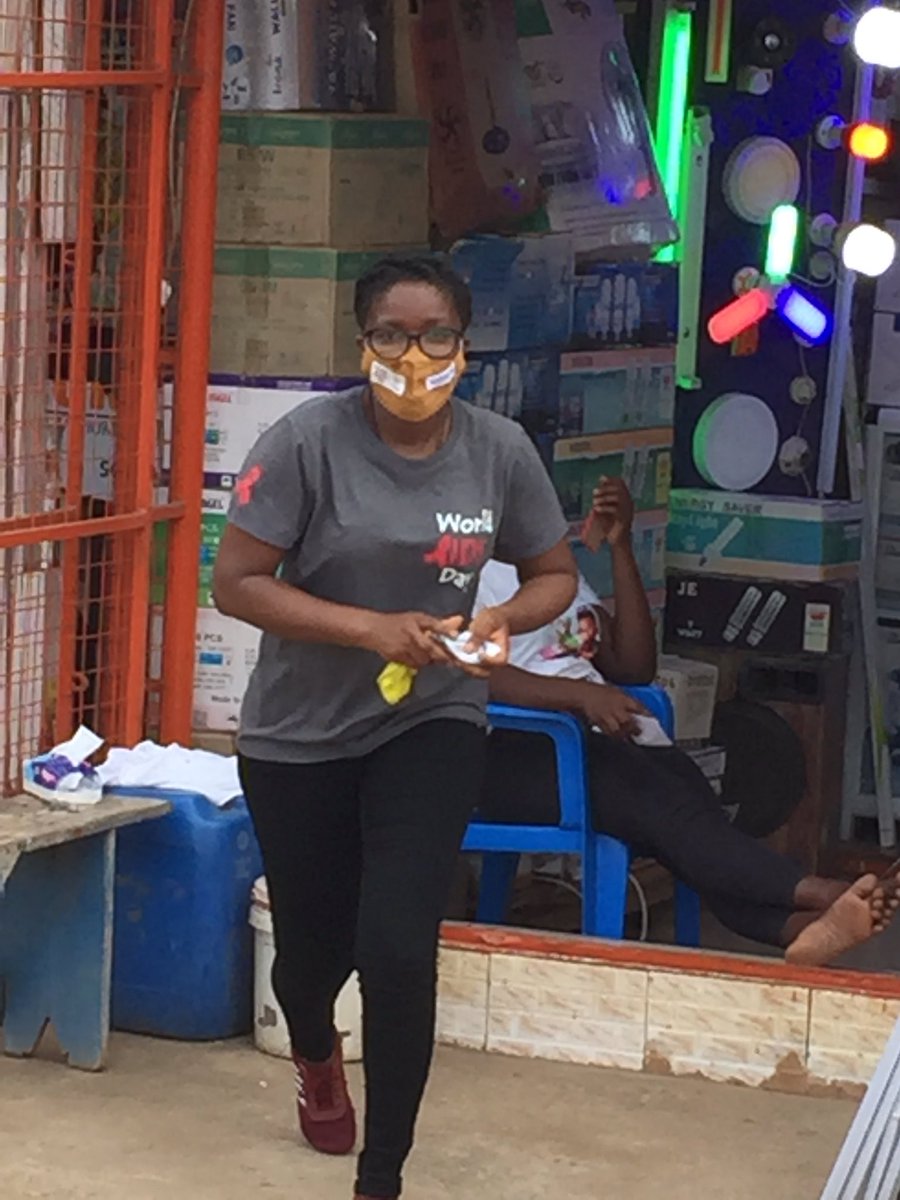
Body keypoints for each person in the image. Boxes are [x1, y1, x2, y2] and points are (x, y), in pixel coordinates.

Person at [212, 254, 576, 1200]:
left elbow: (554, 573)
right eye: (391, 336)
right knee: (311, 957)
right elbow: (236, 581)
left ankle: (384, 1174)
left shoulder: (498, 449)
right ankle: (314, 1051)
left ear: (466, 347)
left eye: (436, 337)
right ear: (361, 342)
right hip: (300, 734)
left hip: (434, 716)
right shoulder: (304, 443)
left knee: (400, 944)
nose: (414, 358)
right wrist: (370, 628)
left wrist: (503, 621)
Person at [475, 476, 899, 966]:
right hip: (521, 746)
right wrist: (579, 695)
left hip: (606, 738)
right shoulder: (466, 578)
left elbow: (633, 666)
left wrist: (621, 547)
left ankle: (797, 930)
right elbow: (474, 676)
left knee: (693, 822)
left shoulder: (555, 576)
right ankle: (821, 893)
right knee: (675, 816)